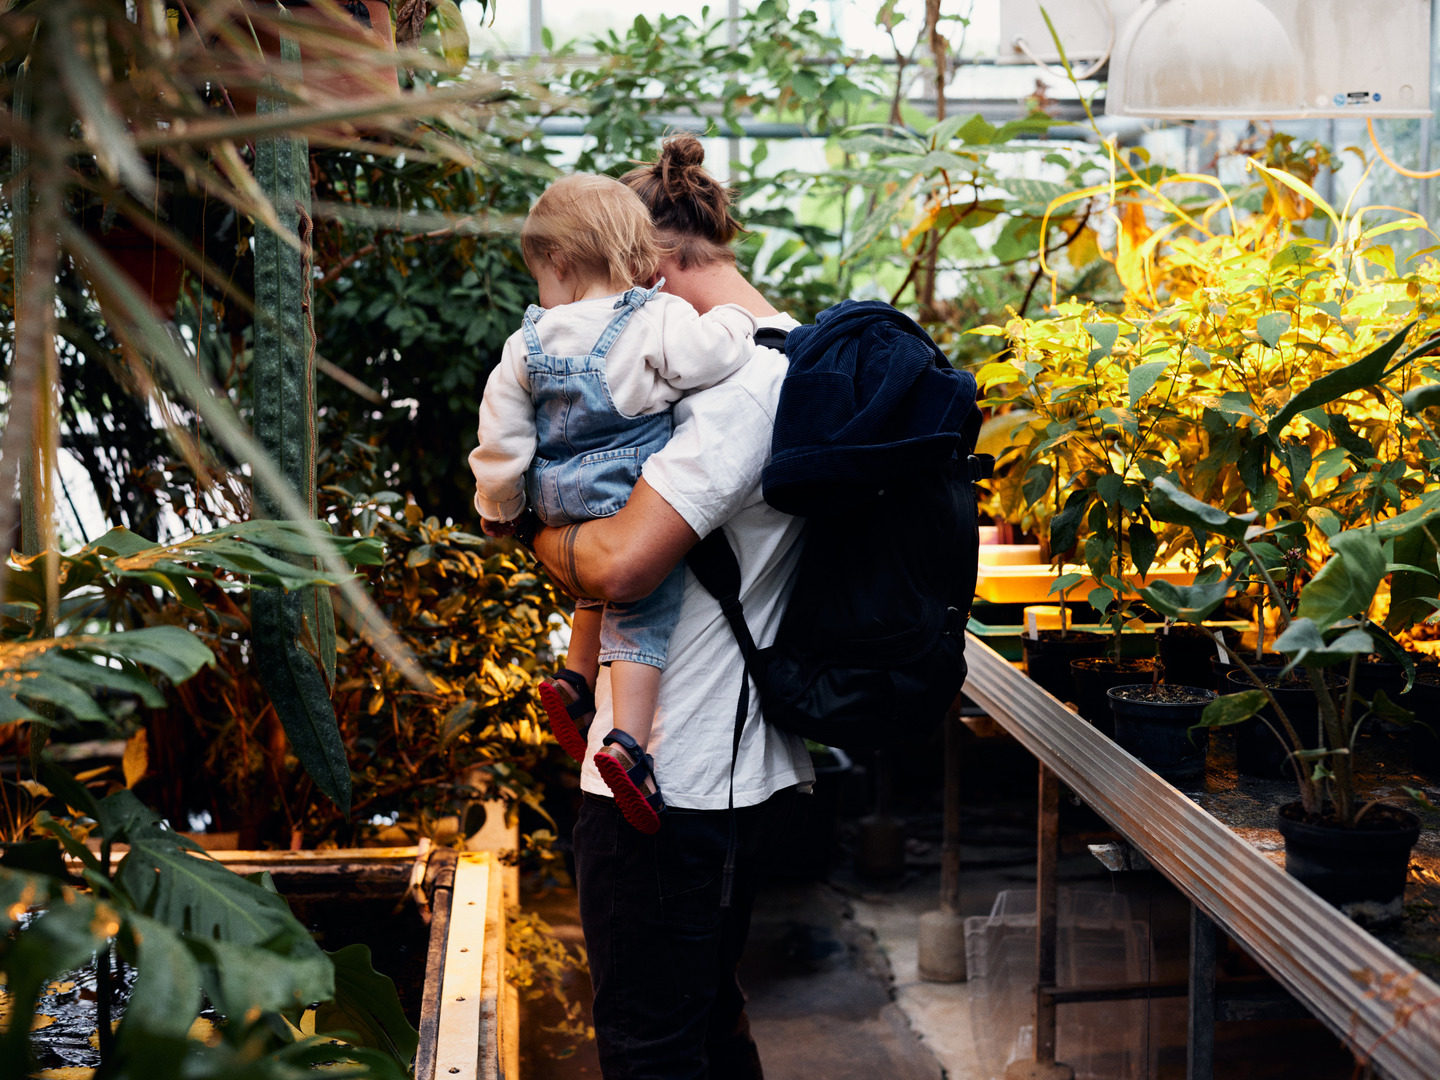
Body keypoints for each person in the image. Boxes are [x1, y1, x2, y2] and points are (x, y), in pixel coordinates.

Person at [529, 135, 815, 1080]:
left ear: (648, 267)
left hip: (675, 784)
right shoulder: (741, 371)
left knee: (651, 1048)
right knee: (699, 1029)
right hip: (689, 779)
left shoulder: (745, 387)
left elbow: (617, 562)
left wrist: (527, 534)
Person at [467, 173, 759, 834]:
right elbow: (706, 359)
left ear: (561, 263)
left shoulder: (525, 344)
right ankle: (630, 743)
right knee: (639, 615)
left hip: (556, 496)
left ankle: (574, 679)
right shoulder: (654, 319)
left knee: (587, 581)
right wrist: (737, 323)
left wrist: (502, 508)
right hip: (623, 486)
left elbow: (500, 437)